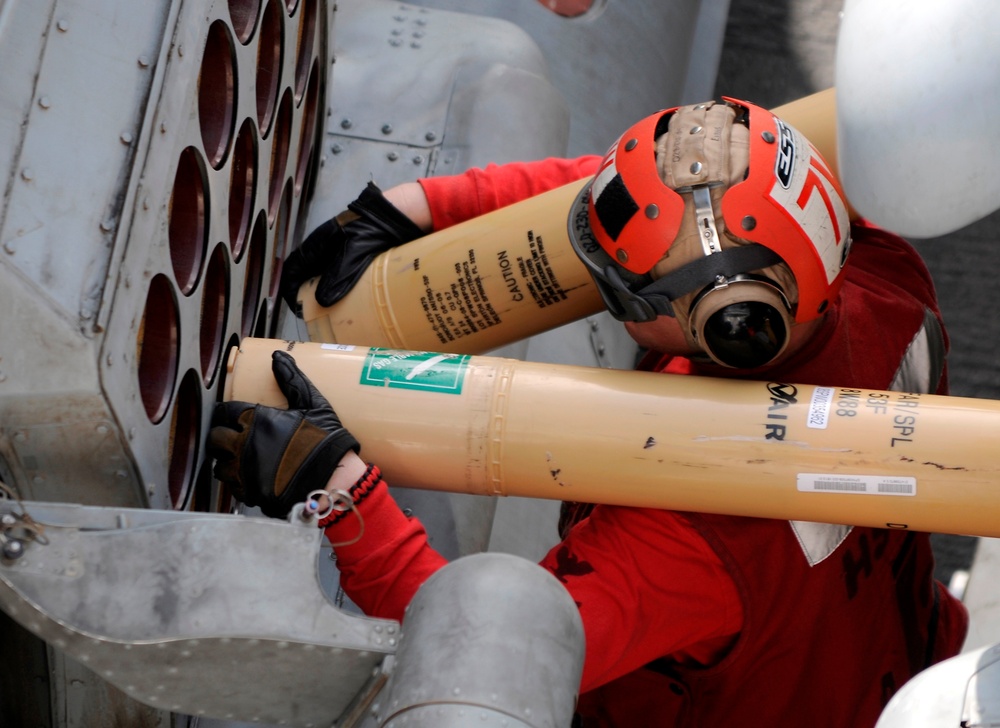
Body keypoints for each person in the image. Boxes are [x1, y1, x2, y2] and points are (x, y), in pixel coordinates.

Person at [209, 98, 968, 726]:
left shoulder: (690, 532)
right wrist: (423, 207)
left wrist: (336, 489)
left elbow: (477, 647)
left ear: (731, 328)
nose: (602, 290)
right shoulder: (881, 275)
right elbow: (678, 203)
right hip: (893, 658)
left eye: (623, 291)